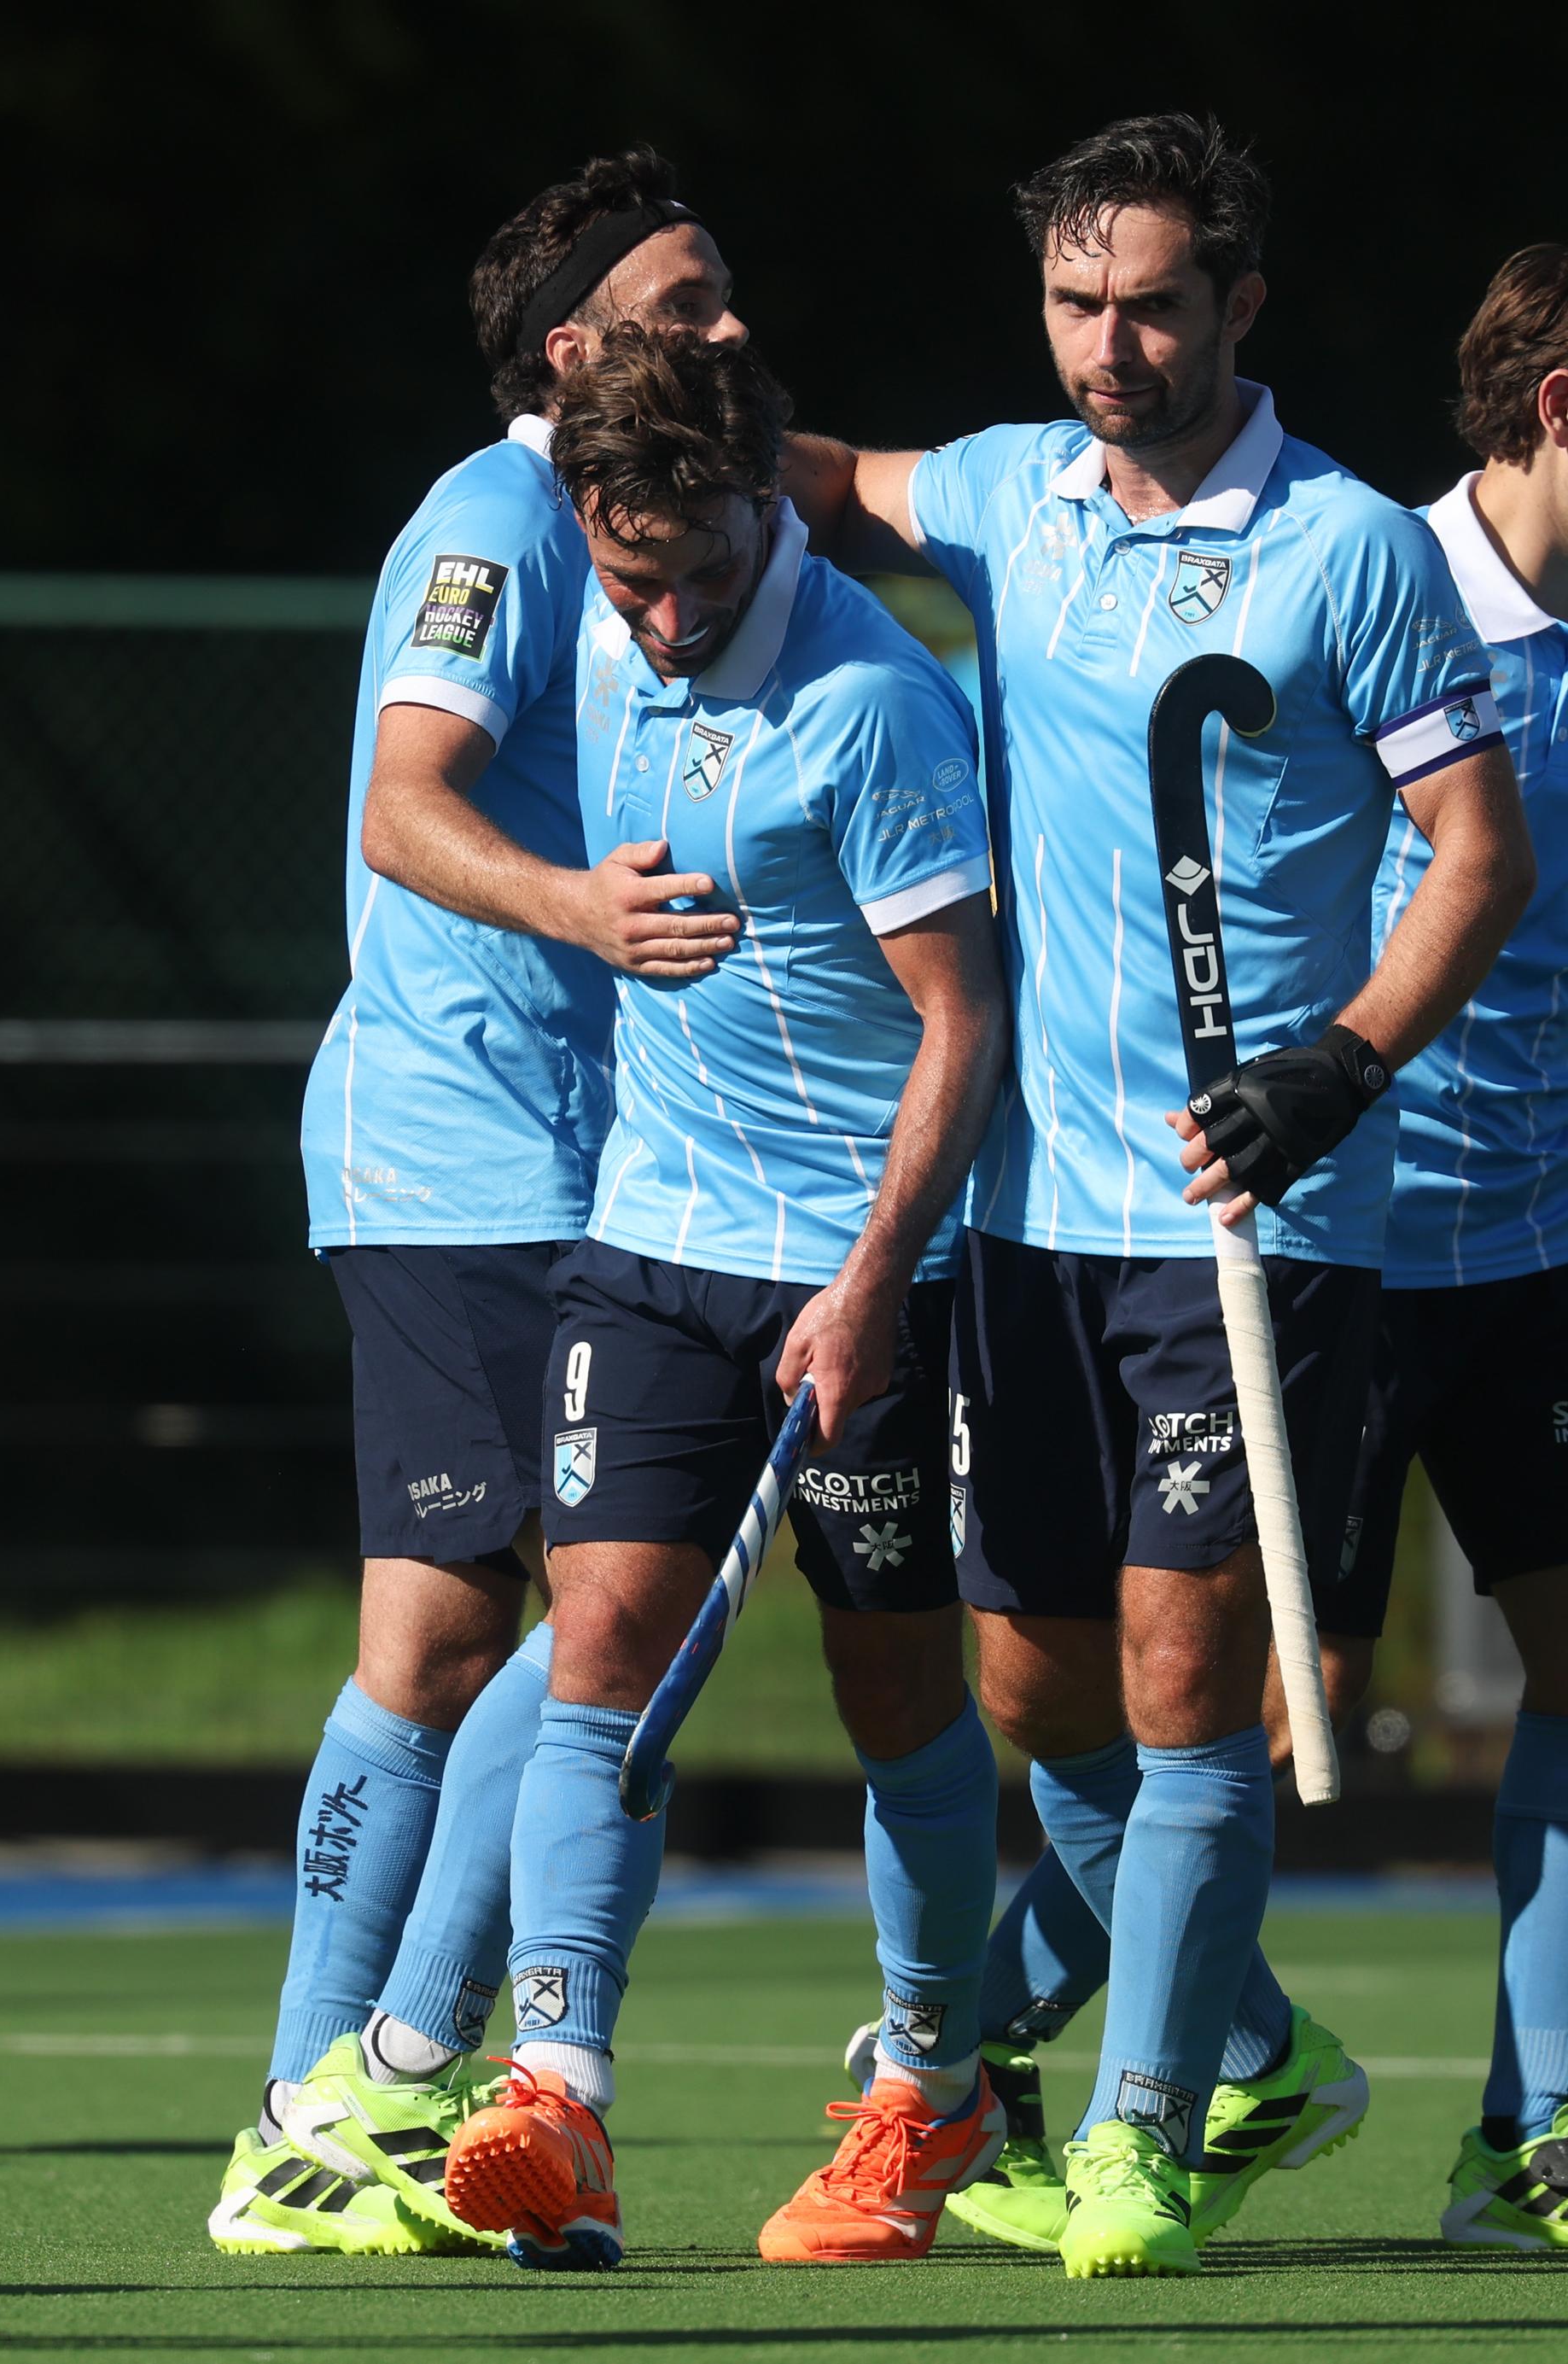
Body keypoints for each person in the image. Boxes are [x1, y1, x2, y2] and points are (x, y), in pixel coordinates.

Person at [784, 112, 1535, 2276]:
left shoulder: (1351, 550)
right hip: (1027, 1214)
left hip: (1262, 1219)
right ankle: (1265, 2040)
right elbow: (822, 480)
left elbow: (1477, 854)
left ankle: (1150, 2128)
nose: (1110, 345)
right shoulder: (1011, 492)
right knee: (1037, 1694)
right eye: (1074, 302)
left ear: (1242, 308)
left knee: (1193, 1676)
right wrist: (637, 408)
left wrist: (1344, 1062)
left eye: (1153, 306)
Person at [423, 325, 1008, 2272]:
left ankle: (934, 2080)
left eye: (697, 572)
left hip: (863, 1269)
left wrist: (868, 1285)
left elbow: (964, 1020)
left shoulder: (878, 703)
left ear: (773, 501)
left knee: (896, 1688)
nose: (663, 616)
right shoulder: (599, 619)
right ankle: (562, 2095)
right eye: (629, 575)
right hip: (651, 1235)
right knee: (600, 1639)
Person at [212, 145, 749, 2256]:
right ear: (574, 346)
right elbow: (406, 803)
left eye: (724, 291)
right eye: (683, 299)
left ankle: (342, 2109)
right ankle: (361, 2095)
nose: (722, 322)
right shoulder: (499, 513)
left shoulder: (682, 526)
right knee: (582, 1614)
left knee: (500, 1629)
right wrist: (586, 920)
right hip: (466, 1152)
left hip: (590, 1159)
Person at [1297, 243, 1568, 2250]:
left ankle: (1533, 2136)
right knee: (1238, 1695)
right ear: (1561, 406)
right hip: (1342, 1253)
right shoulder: (1377, 587)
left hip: (1535, 1252)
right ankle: (961, 2060)